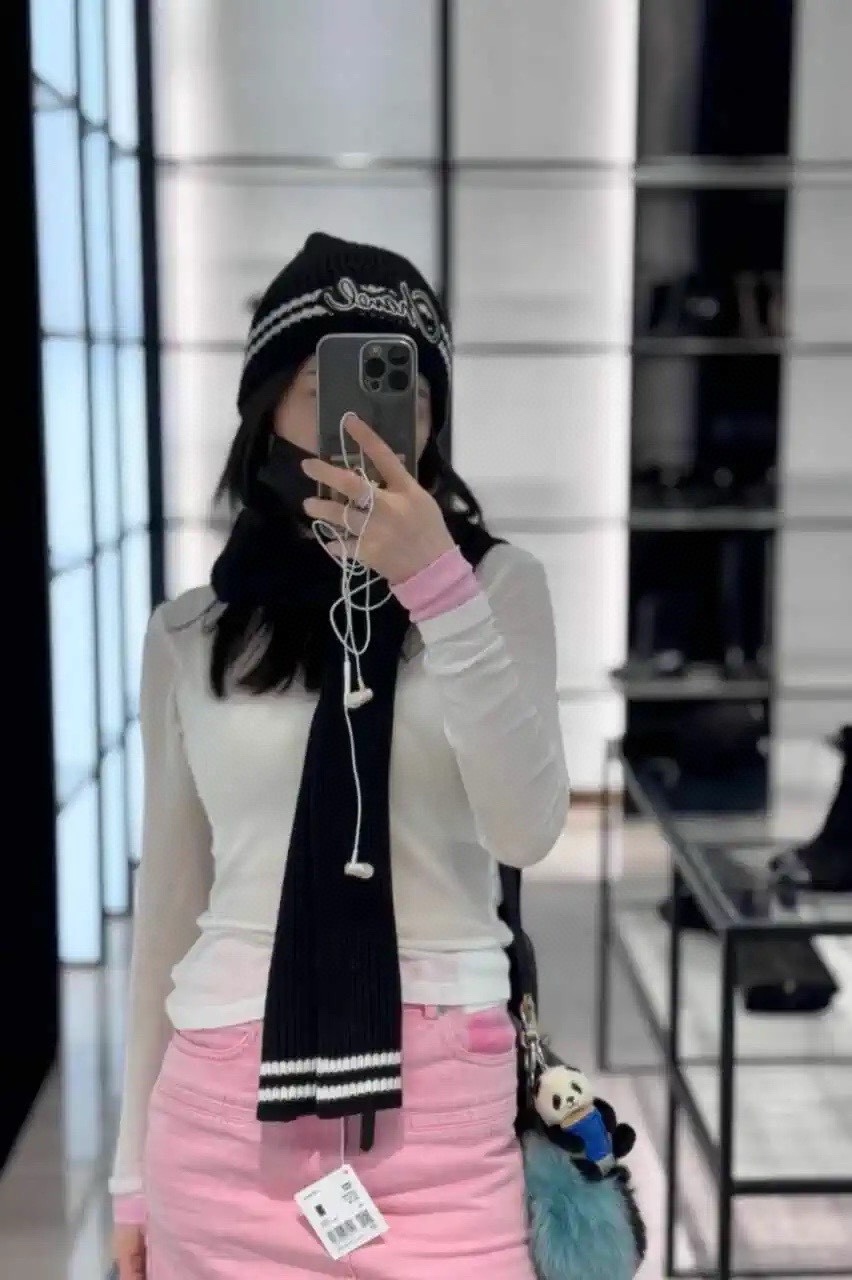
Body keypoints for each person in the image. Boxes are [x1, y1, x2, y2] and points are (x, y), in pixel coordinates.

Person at [110, 232, 570, 1279]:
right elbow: (171, 902)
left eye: (402, 388)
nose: (362, 420)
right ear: (267, 403)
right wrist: (131, 1173)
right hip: (220, 1122)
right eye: (326, 387)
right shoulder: (191, 632)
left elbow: (526, 826)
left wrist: (437, 588)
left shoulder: (498, 590)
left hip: (446, 1130)